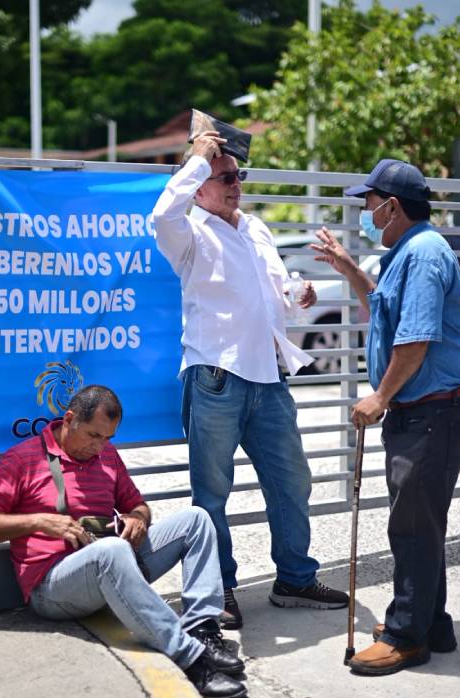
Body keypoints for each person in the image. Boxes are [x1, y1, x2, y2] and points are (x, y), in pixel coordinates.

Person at [152, 129, 349, 629]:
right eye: (224, 178)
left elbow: (277, 289)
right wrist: (197, 160)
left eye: (238, 176)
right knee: (212, 492)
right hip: (216, 376)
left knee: (292, 481)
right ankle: (219, 590)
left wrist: (299, 293)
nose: (236, 184)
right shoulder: (188, 230)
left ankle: (295, 580)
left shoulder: (256, 229)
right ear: (198, 186)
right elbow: (160, 215)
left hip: (269, 375)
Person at [0, 384, 247, 698]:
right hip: (54, 587)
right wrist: (38, 521)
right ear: (69, 419)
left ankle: (203, 630)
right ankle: (193, 661)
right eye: (93, 436)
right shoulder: (24, 459)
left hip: (113, 564)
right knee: (111, 551)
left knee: (197, 518)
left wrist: (138, 518)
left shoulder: (107, 455)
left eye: (108, 438)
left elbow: (138, 505)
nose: (100, 447)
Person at [311, 158, 460, 676]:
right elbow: (384, 308)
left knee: (411, 526)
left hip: (433, 411)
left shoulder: (424, 254)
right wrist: (349, 269)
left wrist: (379, 397)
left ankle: (408, 635)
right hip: (424, 411)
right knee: (421, 524)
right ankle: (432, 622)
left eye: (369, 204)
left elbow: (416, 339)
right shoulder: (404, 252)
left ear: (392, 206)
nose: (365, 213)